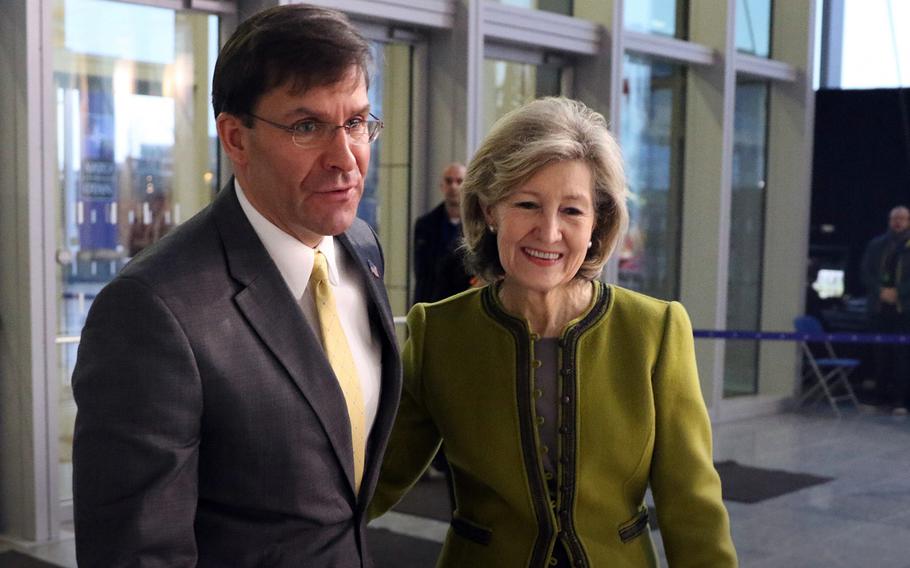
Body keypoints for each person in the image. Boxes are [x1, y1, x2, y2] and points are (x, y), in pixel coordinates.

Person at [71, 5, 401, 567]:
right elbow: (135, 553)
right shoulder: (154, 310)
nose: (346, 158)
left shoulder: (360, 248)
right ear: (234, 137)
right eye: (307, 127)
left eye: (356, 122)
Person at [369, 97, 736, 566]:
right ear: (489, 210)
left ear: (597, 224)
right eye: (527, 203)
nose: (548, 232)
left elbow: (692, 505)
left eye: (572, 211)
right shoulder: (440, 332)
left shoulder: (653, 331)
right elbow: (376, 481)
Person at [860, 205, 910, 413]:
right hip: (879, 308)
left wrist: (898, 292)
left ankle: (900, 401)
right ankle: (879, 398)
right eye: (894, 218)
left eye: (902, 218)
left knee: (902, 357)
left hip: (904, 310)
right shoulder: (877, 245)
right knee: (880, 354)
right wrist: (880, 291)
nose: (897, 222)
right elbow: (865, 273)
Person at [413, 162, 474, 304]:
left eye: (459, 181)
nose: (453, 186)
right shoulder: (424, 225)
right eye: (449, 181)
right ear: (442, 186)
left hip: (463, 305)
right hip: (430, 304)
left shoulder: (478, 225)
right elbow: (421, 274)